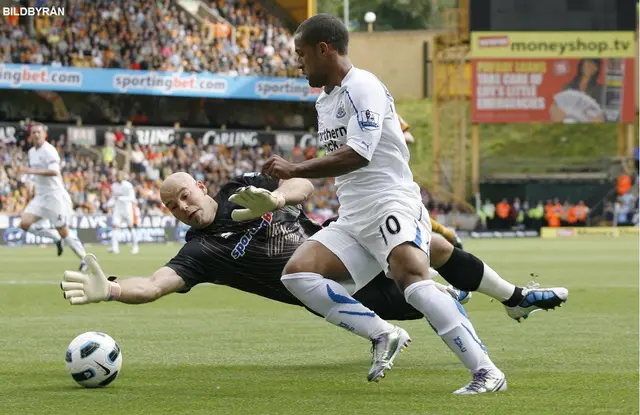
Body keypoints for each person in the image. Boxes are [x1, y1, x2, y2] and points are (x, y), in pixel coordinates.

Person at [261, 14, 567, 394]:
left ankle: (487, 372)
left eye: (301, 53)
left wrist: (295, 168)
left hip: (391, 201)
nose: (298, 61)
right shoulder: (326, 100)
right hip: (355, 215)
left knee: (413, 280)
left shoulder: (363, 86)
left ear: (324, 49)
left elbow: (360, 153)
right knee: (298, 273)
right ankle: (383, 333)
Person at [60, 172, 467, 326]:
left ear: (201, 187)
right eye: (173, 207)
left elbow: (302, 186)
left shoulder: (239, 189)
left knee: (430, 249)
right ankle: (462, 290)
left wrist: (275, 200)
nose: (183, 208)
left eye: (185, 196)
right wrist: (112, 289)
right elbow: (152, 285)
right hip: (344, 296)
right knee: (428, 303)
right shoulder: (199, 252)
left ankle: (501, 290)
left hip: (345, 245)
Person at [15, 123, 88, 271]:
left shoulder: (49, 150)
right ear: (30, 136)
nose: (36, 135)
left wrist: (31, 171)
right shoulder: (31, 152)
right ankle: (54, 237)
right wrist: (31, 183)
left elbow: (54, 172)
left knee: (64, 230)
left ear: (44, 135)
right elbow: (36, 175)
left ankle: (85, 259)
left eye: (38, 132)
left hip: (54, 196)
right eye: (33, 132)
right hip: (41, 196)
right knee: (24, 223)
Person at [108, 171, 140, 255]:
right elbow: (114, 197)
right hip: (118, 209)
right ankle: (115, 248)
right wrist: (108, 204)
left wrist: (121, 198)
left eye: (119, 175)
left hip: (127, 209)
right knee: (115, 227)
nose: (118, 177)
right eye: (117, 175)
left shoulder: (128, 186)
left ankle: (135, 247)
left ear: (123, 176)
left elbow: (132, 198)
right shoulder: (114, 186)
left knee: (130, 227)